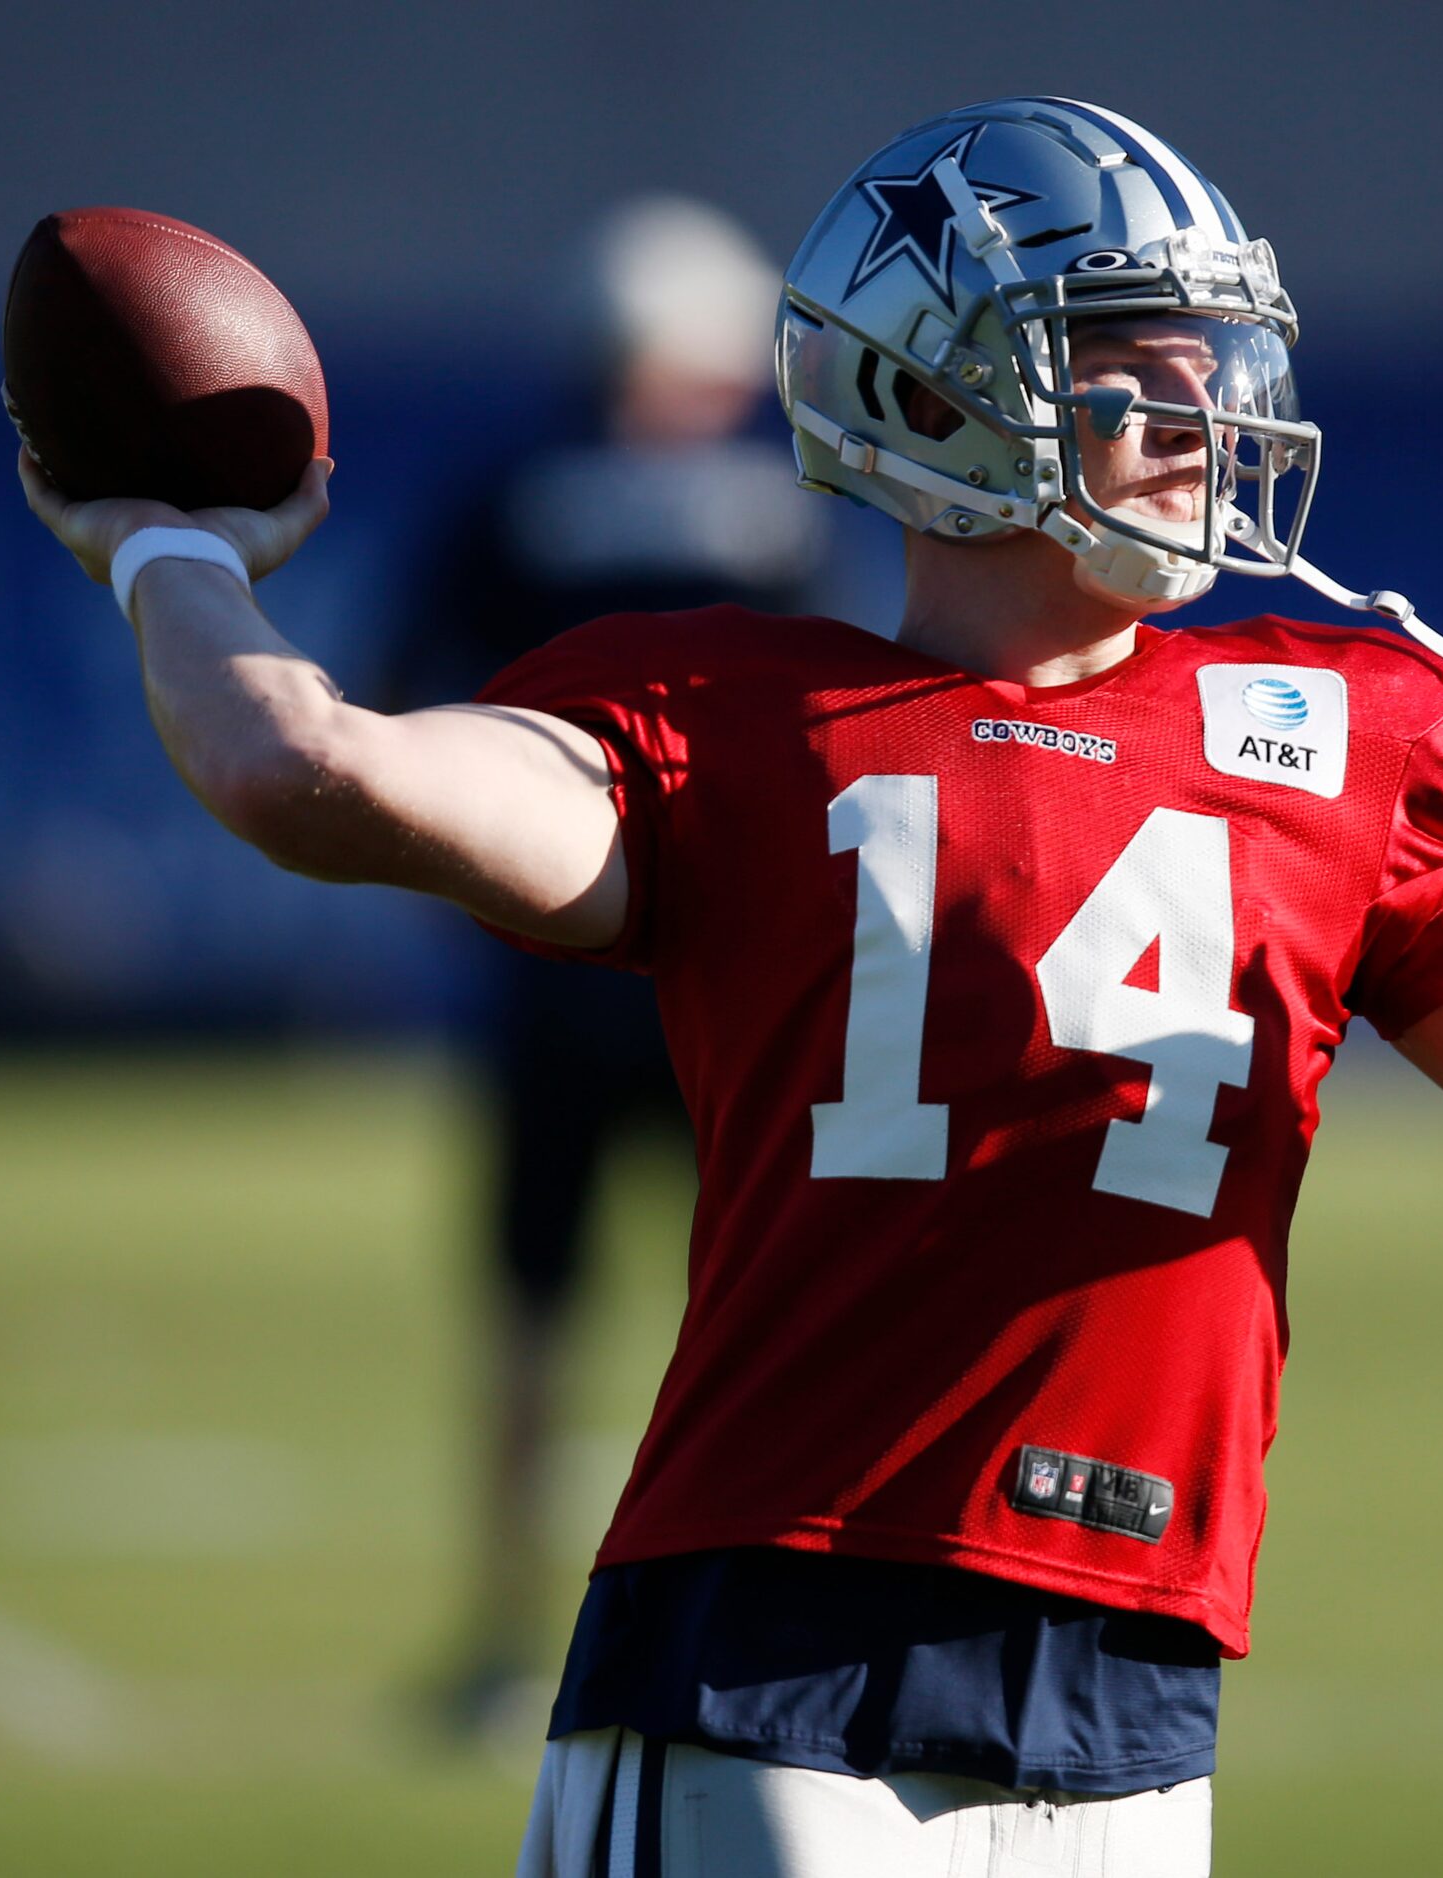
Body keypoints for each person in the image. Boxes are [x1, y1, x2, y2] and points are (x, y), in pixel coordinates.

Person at [20, 97, 1443, 1878]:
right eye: (1118, 352)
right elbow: (306, 768)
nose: (1193, 401)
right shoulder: (731, 720)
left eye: (1202, 348)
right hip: (770, 1672)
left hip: (1136, 1714)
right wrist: (173, 547)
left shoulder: (1330, 745)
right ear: (921, 385)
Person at [386, 197, 838, 1735]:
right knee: (767, 1320)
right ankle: (776, 1635)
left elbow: (398, 716)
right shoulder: (792, 508)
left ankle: (506, 1638)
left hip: (554, 981)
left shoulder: (506, 496)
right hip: (731, 992)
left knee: (532, 1317)